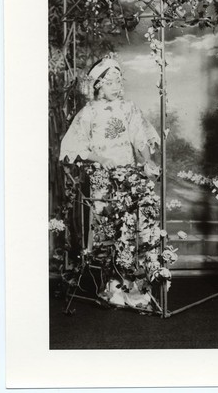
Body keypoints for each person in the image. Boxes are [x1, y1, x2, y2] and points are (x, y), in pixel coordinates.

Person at [59, 54, 160, 308]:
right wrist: (99, 157)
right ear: (99, 85)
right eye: (112, 81)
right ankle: (112, 286)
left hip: (129, 177)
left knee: (134, 227)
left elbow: (141, 137)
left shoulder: (129, 107)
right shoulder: (88, 112)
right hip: (103, 179)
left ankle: (135, 288)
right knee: (109, 229)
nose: (119, 86)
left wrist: (147, 161)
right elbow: (74, 145)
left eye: (119, 81)